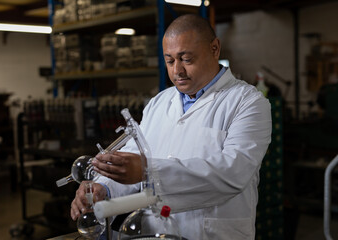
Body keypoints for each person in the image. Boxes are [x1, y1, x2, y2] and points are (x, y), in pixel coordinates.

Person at [70, 14, 272, 240]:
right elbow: (135, 156)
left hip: (212, 233)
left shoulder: (248, 103)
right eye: (169, 60)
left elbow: (233, 173)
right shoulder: (159, 103)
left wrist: (149, 171)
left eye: (186, 59)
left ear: (215, 48)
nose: (177, 71)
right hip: (156, 232)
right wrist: (105, 187)